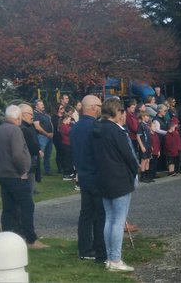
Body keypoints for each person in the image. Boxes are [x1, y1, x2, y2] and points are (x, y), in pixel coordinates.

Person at [94, 98, 140, 272]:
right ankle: (115, 259)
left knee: (110, 219)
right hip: (119, 179)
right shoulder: (116, 131)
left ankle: (110, 257)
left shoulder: (97, 129)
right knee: (118, 221)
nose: (123, 114)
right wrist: (135, 170)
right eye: (121, 111)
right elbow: (128, 156)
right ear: (116, 112)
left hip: (103, 178)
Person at [0, 105, 47, 250]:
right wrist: (23, 169)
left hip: (3, 174)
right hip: (16, 175)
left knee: (8, 208)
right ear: (17, 118)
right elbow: (17, 154)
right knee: (27, 206)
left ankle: (7, 236)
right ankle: (31, 239)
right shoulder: (15, 130)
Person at [73, 95, 106, 262]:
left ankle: (84, 248)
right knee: (100, 215)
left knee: (86, 214)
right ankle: (100, 248)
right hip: (97, 176)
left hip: (83, 175)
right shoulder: (96, 126)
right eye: (99, 105)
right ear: (93, 107)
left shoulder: (76, 127)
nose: (101, 108)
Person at [18, 104, 44, 193]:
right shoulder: (23, 128)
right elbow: (30, 144)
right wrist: (37, 150)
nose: (32, 116)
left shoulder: (29, 125)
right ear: (22, 114)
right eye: (30, 114)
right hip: (27, 160)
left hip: (31, 159)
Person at [34, 100, 55, 176]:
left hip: (49, 136)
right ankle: (35, 171)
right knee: (40, 154)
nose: (43, 105)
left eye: (43, 104)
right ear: (36, 106)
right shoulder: (36, 114)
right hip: (42, 136)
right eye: (41, 104)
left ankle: (47, 171)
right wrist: (47, 134)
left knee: (48, 155)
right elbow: (37, 127)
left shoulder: (43, 113)